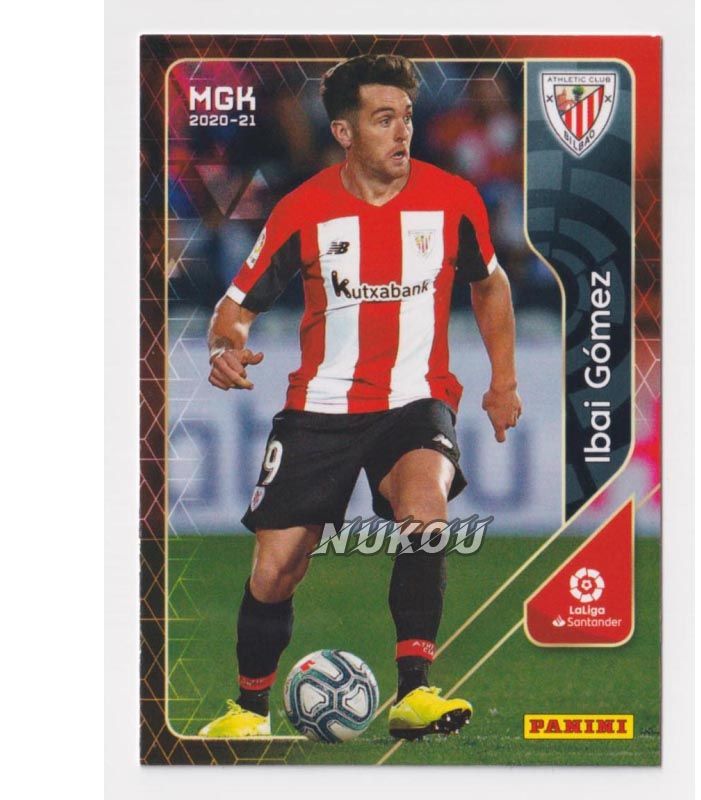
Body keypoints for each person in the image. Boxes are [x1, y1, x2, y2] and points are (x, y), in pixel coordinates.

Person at [198, 54, 522, 740]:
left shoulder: (452, 199)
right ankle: (249, 711)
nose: (402, 132)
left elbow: (490, 282)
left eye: (406, 116)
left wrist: (504, 381)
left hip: (415, 399)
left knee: (425, 509)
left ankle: (415, 692)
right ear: (344, 132)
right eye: (383, 119)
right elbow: (235, 308)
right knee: (276, 569)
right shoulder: (303, 210)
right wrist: (226, 348)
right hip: (321, 409)